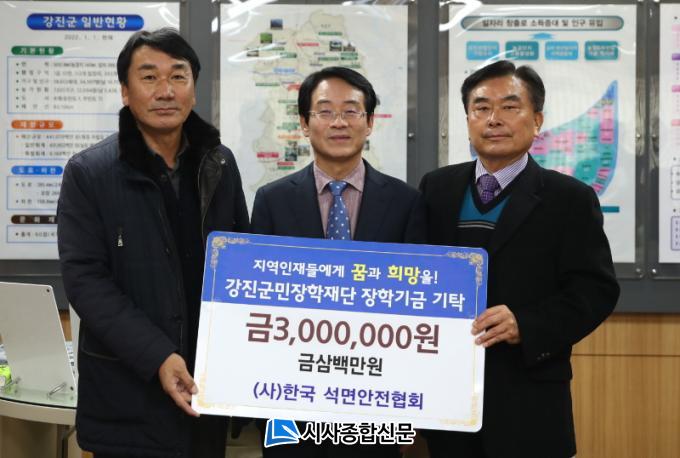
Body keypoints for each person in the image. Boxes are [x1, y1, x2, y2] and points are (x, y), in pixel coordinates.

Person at [57, 28, 249, 457]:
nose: (165, 91)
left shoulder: (219, 163)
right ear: (125, 92)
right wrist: (158, 356)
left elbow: (240, 261)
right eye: (149, 77)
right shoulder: (89, 173)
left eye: (178, 76)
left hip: (205, 394)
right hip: (126, 397)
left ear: (193, 90)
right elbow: (86, 282)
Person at [418, 60, 620, 458]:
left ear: (537, 119)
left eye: (510, 107)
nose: (494, 119)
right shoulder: (436, 188)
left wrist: (525, 324)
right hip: (448, 400)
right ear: (467, 120)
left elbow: (595, 291)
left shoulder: (570, 199)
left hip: (529, 401)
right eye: (481, 107)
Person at [250, 66, 426, 457]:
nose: (339, 122)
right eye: (325, 111)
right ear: (304, 123)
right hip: (290, 399)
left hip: (376, 399)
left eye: (351, 111)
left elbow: (417, 309)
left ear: (370, 122)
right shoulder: (272, 201)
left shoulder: (406, 202)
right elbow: (256, 302)